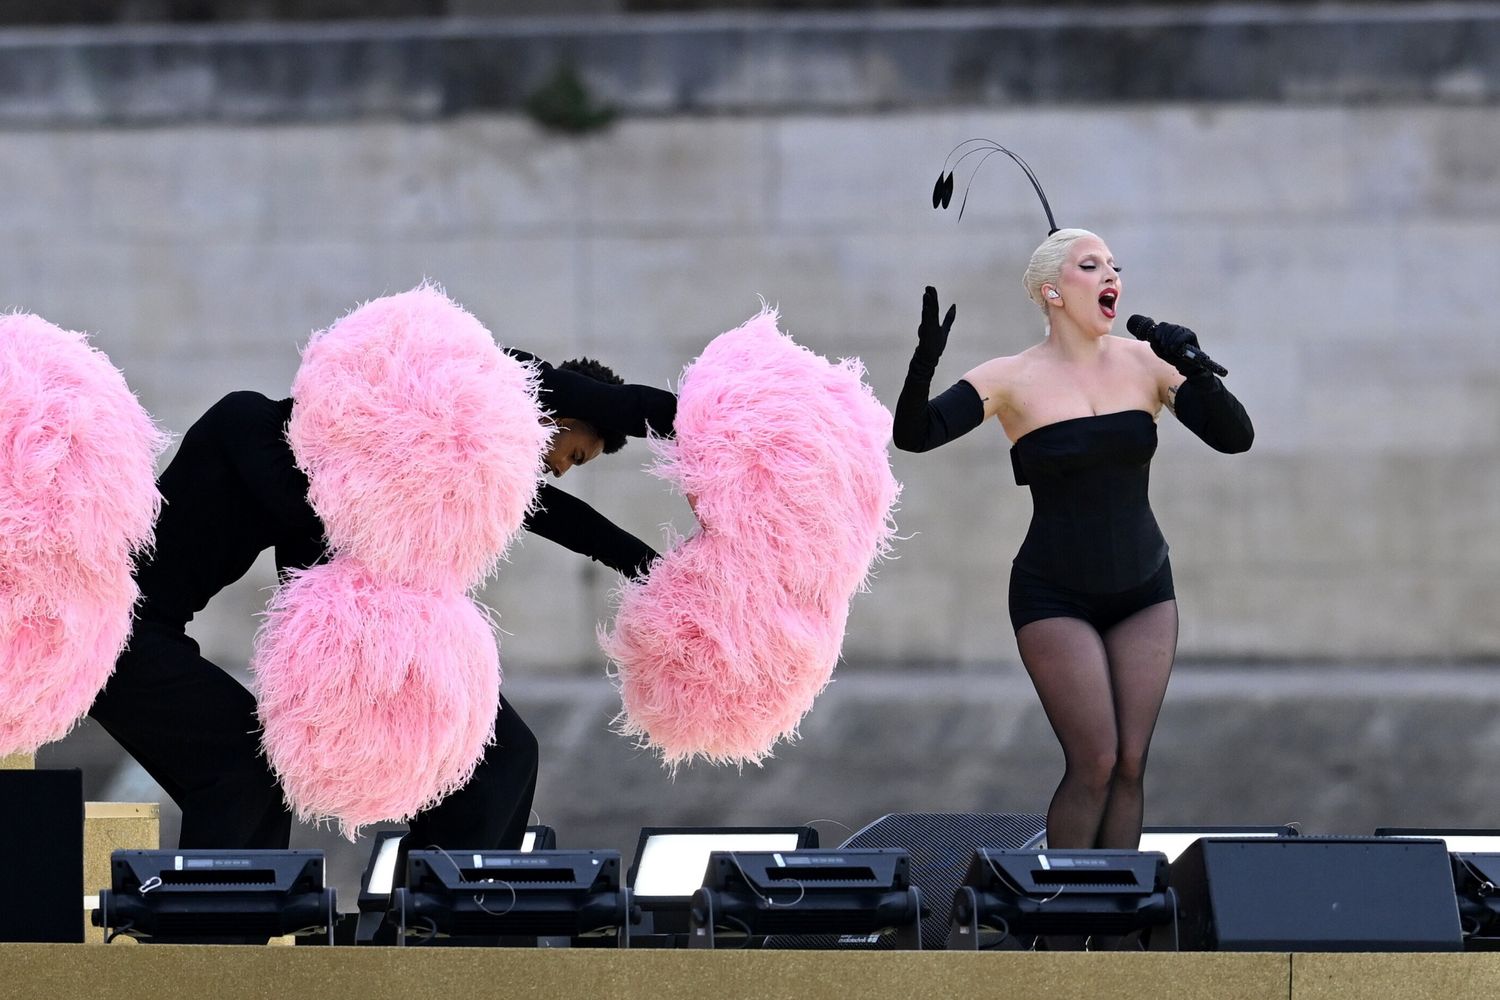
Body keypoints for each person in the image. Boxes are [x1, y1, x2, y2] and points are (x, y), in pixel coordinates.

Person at [87, 352, 675, 852]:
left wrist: (659, 574)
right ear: (558, 418)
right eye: (573, 456)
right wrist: (723, 424)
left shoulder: (342, 483)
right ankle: (213, 954)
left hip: (146, 638)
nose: (558, 471)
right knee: (243, 775)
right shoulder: (251, 430)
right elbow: (314, 527)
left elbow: (558, 516)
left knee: (503, 752)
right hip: (111, 633)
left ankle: (435, 921)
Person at [892, 228, 1252, 850]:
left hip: (1145, 590)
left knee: (1132, 765)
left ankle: (1114, 928)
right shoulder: (1008, 377)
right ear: (1052, 292)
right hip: (1054, 594)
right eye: (1092, 265)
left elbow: (1234, 437)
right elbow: (915, 435)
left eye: (1115, 265)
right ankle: (1058, 921)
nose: (1112, 275)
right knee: (1095, 763)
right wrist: (924, 359)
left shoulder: (1147, 365)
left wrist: (1196, 367)